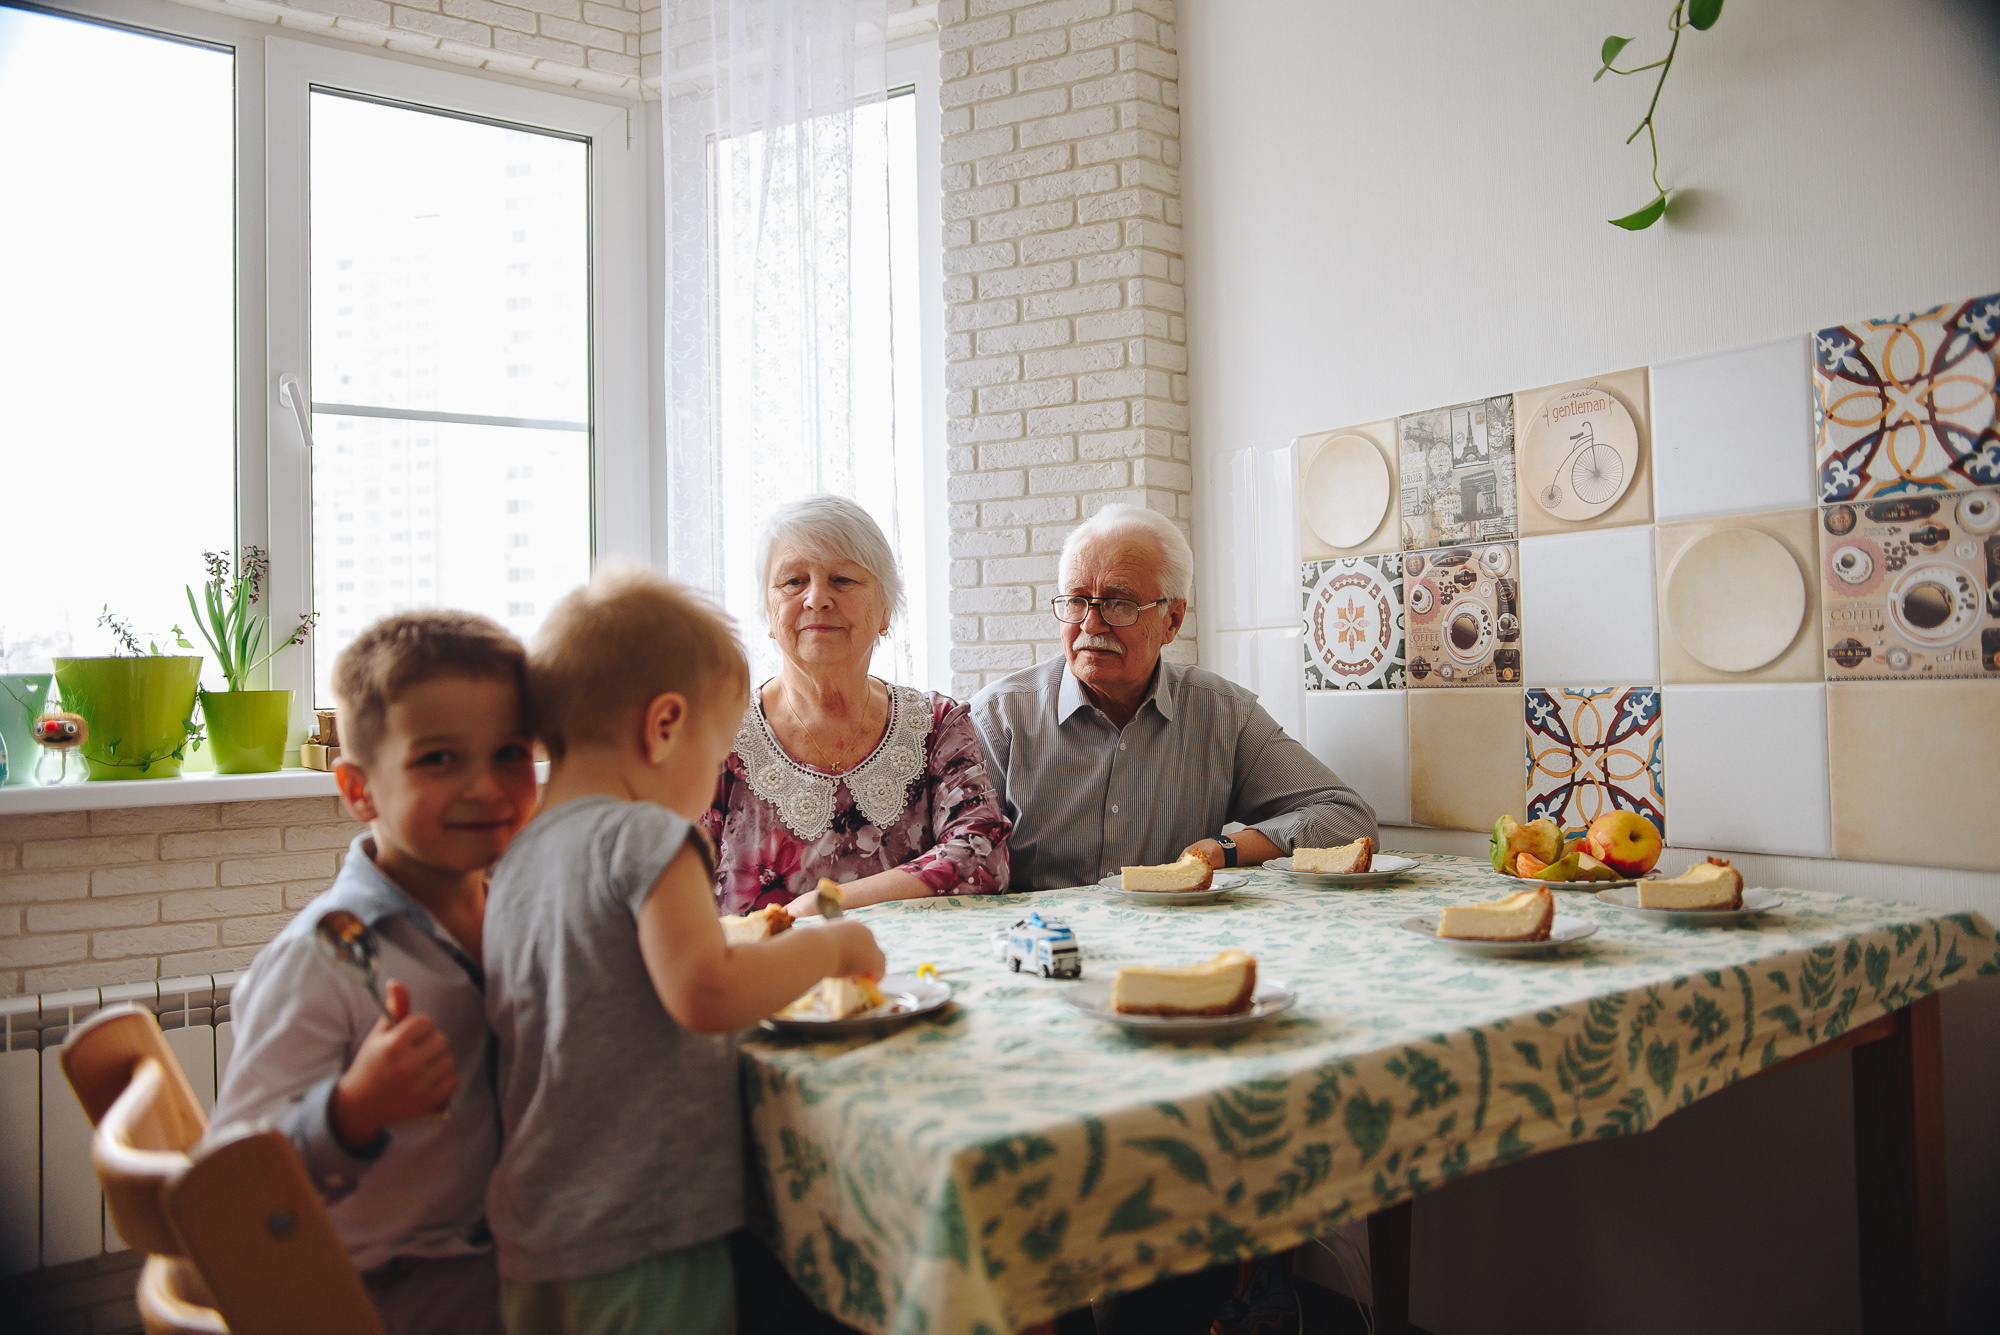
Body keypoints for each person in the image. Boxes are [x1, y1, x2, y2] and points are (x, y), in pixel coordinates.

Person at [971, 503, 1379, 1335]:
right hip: (1033, 1005)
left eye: (1118, 601)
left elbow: (1346, 814)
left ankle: (1233, 1286)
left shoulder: (1221, 712)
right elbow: (955, 867)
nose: (1090, 623)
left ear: (1173, 617)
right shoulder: (999, 719)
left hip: (1169, 1007)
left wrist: (1231, 848)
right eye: (1075, 600)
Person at [483, 565, 885, 1335]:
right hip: (645, 1227)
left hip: (536, 1223)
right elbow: (707, 990)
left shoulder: (522, 851)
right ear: (664, 725)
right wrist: (832, 946)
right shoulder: (650, 835)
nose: (718, 774)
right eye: (720, 744)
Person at [213, 611, 540, 1335]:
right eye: (439, 759)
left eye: (511, 751)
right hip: (393, 1295)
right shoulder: (322, 959)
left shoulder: (518, 914)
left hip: (513, 1249)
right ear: (359, 791)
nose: (487, 786)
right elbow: (227, 1184)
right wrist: (351, 1108)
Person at [704, 494, 1010, 917]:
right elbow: (672, 887)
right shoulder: (717, 735)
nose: (816, 598)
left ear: (885, 609)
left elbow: (981, 855)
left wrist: (826, 904)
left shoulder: (937, 725)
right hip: (763, 978)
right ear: (768, 612)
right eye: (793, 581)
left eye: (842, 580)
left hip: (913, 977)